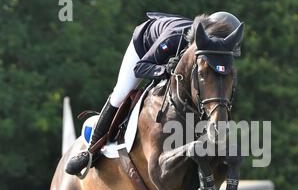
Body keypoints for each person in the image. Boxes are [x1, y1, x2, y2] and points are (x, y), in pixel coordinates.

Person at [65, 11, 242, 176]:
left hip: (171, 64)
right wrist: (164, 70)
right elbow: (141, 67)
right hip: (144, 50)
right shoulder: (175, 38)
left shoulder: (207, 52)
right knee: (121, 92)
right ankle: (91, 151)